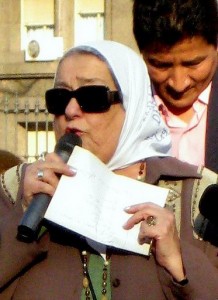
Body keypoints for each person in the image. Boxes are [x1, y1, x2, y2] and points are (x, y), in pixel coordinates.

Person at [0, 40, 218, 300]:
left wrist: (180, 264)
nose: (70, 111)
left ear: (132, 104)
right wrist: (20, 220)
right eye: (59, 99)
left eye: (91, 97)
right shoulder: (16, 188)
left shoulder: (197, 198)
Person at [132, 0, 218, 172]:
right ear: (142, 53)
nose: (179, 84)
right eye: (161, 66)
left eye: (192, 64)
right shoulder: (123, 109)